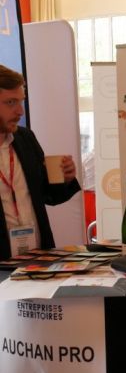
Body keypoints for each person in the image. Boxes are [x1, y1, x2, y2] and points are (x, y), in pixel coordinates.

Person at [0, 64, 81, 260]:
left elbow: (47, 195)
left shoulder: (25, 138)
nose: (20, 111)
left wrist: (65, 179)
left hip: (38, 260)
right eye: (11, 102)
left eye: (21, 101)